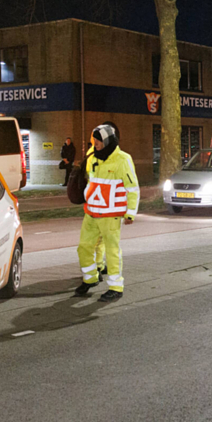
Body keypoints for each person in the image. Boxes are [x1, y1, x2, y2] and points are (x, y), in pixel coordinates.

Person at [75, 123, 138, 302]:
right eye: (94, 139)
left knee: (112, 251)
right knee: (84, 247)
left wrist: (130, 212)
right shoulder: (92, 158)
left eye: (99, 140)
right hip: (91, 212)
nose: (95, 143)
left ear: (108, 140)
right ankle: (90, 279)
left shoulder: (123, 159)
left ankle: (116, 287)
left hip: (111, 215)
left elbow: (132, 188)